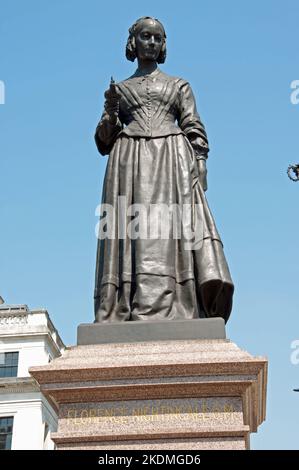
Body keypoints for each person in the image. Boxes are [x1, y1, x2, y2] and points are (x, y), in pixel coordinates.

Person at [94, 16, 234, 322]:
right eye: (146, 37)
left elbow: (193, 126)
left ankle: (182, 302)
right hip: (129, 163)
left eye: (158, 38)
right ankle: (127, 300)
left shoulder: (178, 85)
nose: (152, 43)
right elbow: (104, 141)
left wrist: (201, 161)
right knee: (133, 232)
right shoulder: (121, 89)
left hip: (173, 161)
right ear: (133, 42)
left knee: (173, 233)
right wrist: (111, 113)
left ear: (164, 45)